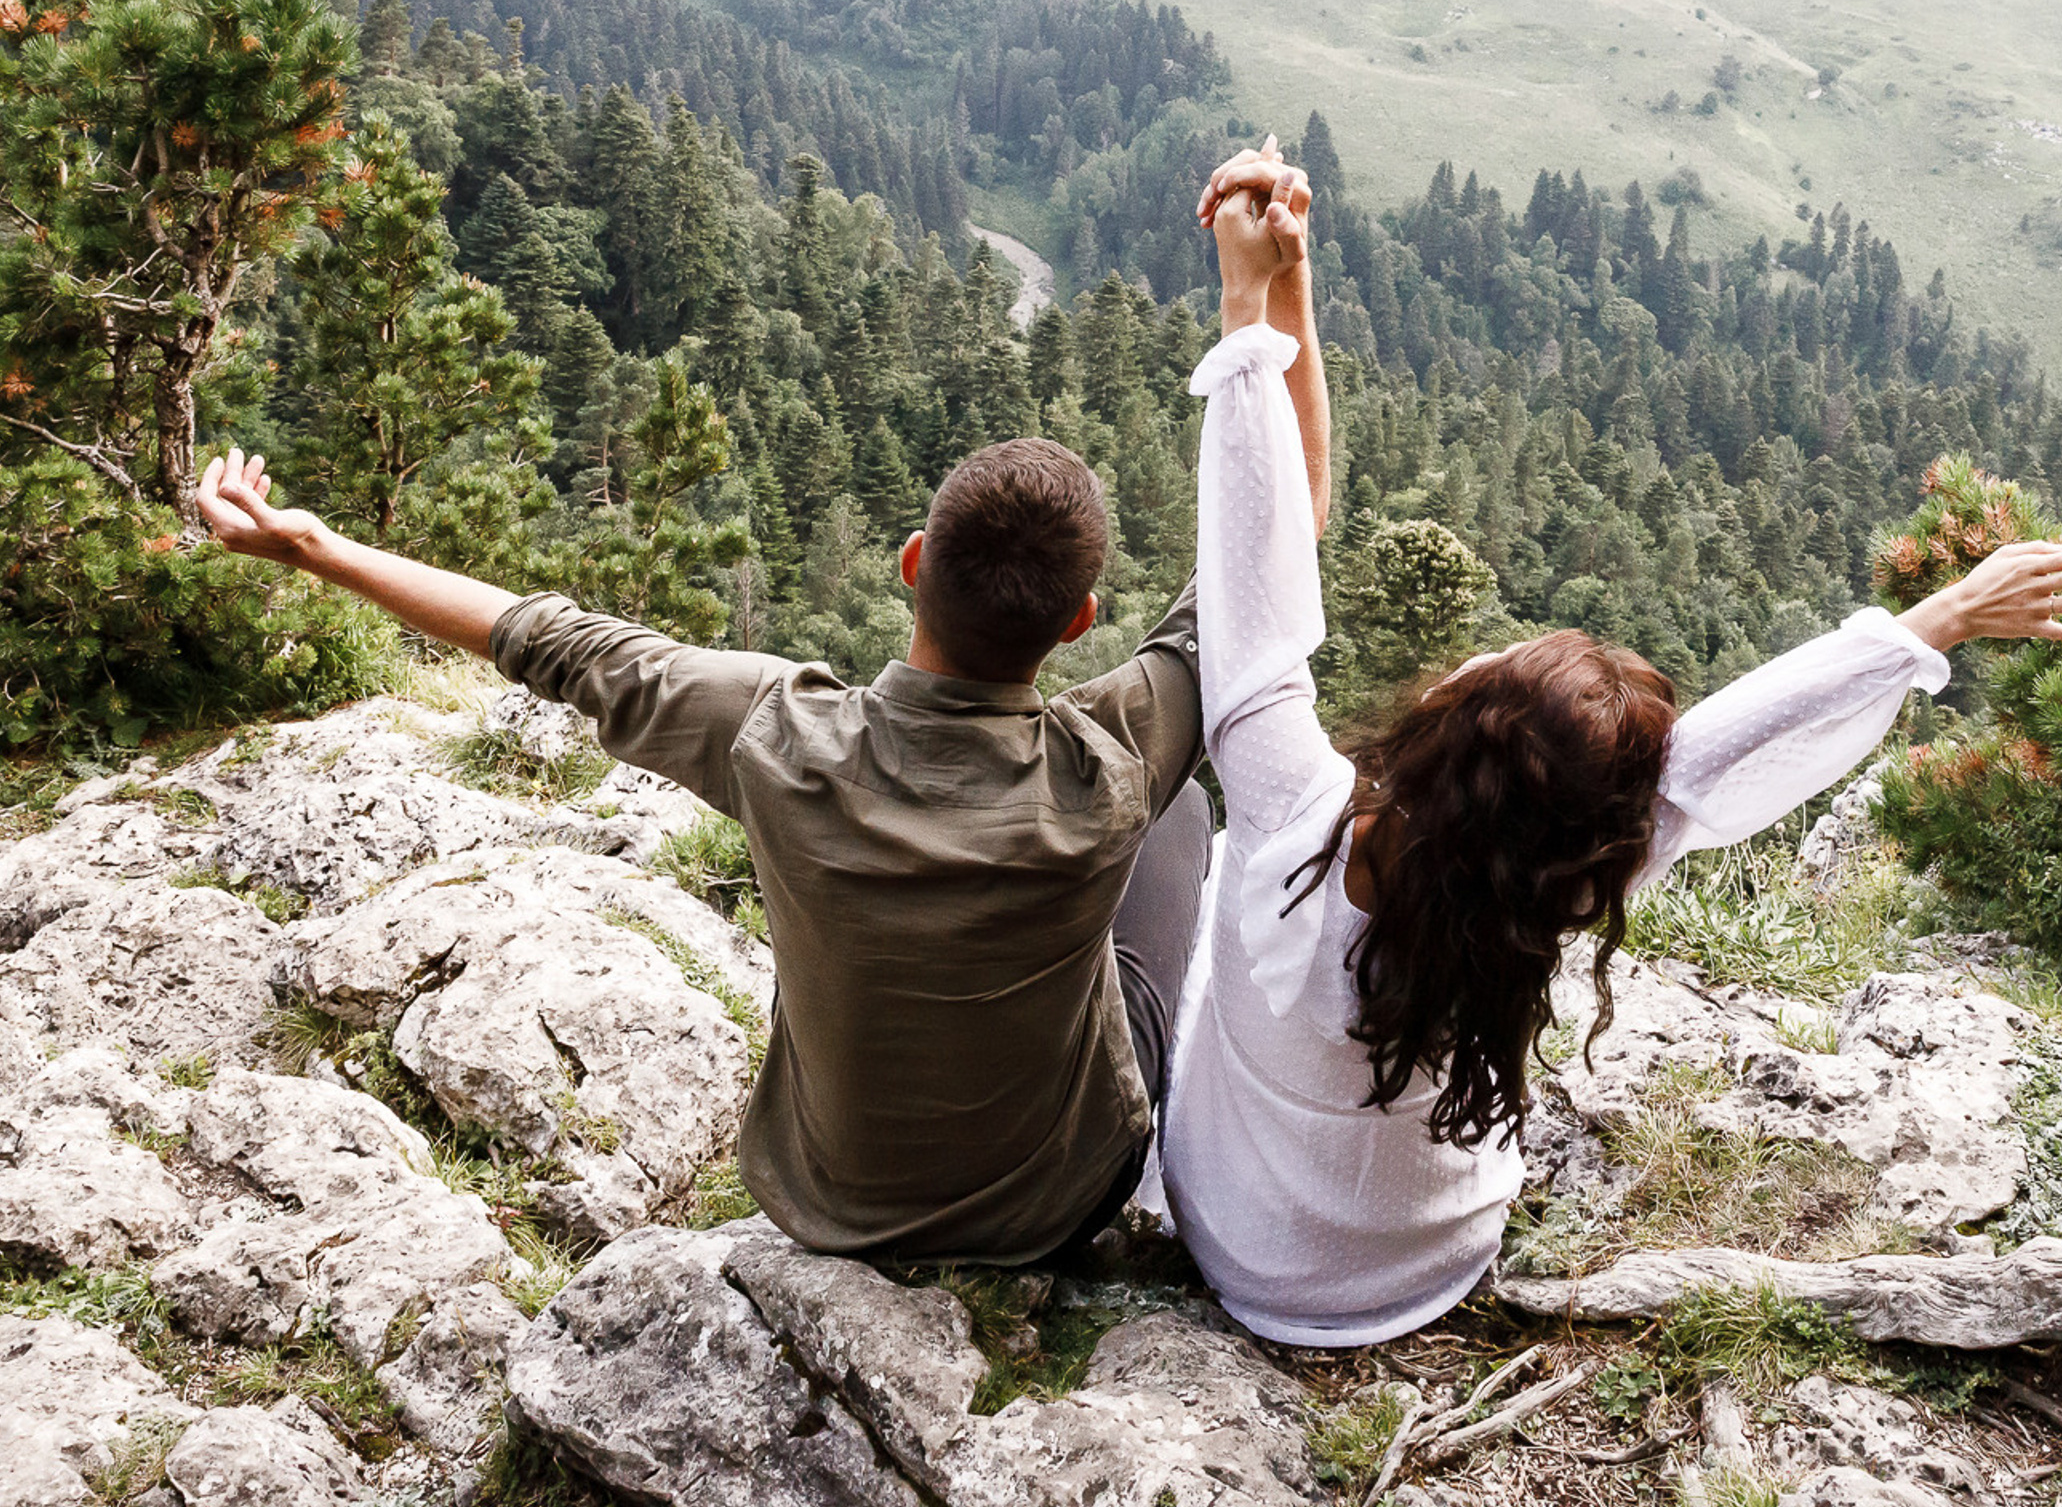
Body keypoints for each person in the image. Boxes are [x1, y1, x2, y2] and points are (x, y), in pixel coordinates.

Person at [1162, 152, 2062, 1347]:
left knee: (1187, 856)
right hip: (1429, 1259)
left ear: (1445, 724)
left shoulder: (1287, 817)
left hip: (1244, 1254)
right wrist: (1934, 623)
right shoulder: (1567, 873)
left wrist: (1245, 309)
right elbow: (1730, 748)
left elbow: (1262, 577)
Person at [193, 406, 1270, 1265]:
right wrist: (1260, 297)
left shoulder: (773, 735)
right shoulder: (1113, 753)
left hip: (832, 1201)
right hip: (1057, 1210)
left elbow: (544, 638)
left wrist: (315, 548)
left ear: (909, 562)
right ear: (1080, 622)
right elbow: (1265, 563)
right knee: (1174, 805)